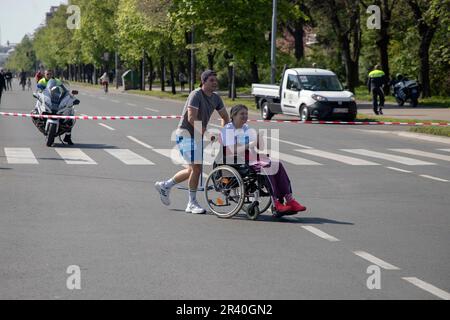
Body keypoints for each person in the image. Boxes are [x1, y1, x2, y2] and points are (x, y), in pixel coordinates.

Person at [155, 70, 230, 214]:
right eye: (211, 80)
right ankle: (191, 203)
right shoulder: (196, 94)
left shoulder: (216, 98)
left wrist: (225, 132)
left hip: (197, 137)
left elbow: (225, 117)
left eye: (216, 80)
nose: (215, 82)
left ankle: (165, 186)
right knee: (196, 168)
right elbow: (191, 118)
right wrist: (207, 133)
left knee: (192, 170)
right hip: (185, 134)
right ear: (203, 81)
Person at [220, 104, 306, 217]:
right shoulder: (228, 129)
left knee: (277, 164)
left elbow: (258, 147)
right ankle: (276, 203)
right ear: (233, 115)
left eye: (246, 114)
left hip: (250, 157)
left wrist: (259, 140)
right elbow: (231, 150)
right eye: (242, 114)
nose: (245, 116)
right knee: (267, 168)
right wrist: (249, 145)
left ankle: (289, 199)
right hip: (236, 160)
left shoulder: (246, 128)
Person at [37, 70, 75, 145]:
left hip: (55, 99)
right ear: (45, 74)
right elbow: (38, 89)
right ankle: (37, 114)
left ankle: (68, 137)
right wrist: (39, 93)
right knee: (38, 102)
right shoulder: (41, 81)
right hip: (45, 98)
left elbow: (63, 89)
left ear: (52, 74)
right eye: (47, 74)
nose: (49, 75)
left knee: (70, 114)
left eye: (50, 74)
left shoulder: (57, 80)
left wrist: (68, 95)